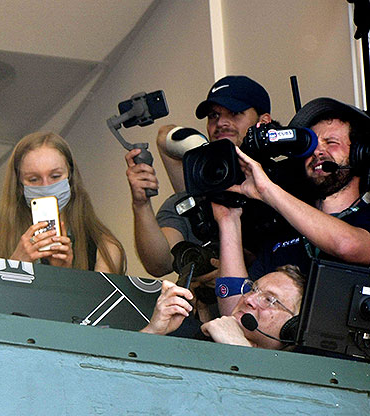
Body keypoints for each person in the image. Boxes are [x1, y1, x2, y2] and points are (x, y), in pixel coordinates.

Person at [214, 97, 370, 315]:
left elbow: (347, 245)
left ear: (360, 155)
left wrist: (267, 190)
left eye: (331, 142)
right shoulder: (281, 235)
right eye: (311, 144)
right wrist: (228, 219)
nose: (317, 151)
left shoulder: (366, 219)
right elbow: (235, 313)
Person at [126, 75, 272, 277]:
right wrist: (141, 205)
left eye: (235, 113)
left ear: (263, 122)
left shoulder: (281, 184)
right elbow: (160, 264)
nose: (221, 123)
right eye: (213, 116)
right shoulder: (193, 199)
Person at [0, 132, 126, 274]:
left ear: (70, 177)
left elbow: (100, 297)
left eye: (55, 176)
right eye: (33, 179)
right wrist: (14, 269)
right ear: (19, 186)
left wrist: (63, 274)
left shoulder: (104, 248)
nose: (46, 186)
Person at [141, 265, 304, 350]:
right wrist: (154, 331)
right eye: (252, 289)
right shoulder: (188, 333)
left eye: (269, 299)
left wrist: (240, 350)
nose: (249, 299)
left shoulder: (300, 380)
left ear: (293, 329)